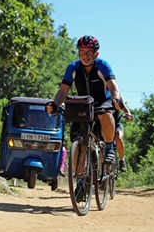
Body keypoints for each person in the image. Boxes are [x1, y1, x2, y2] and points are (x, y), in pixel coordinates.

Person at [46, 35, 123, 164]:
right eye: (82, 52)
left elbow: (113, 86)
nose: (85, 56)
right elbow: (63, 91)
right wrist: (54, 104)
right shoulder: (73, 68)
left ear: (96, 54)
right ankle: (80, 179)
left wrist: (116, 100)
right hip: (83, 103)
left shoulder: (103, 66)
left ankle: (109, 148)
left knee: (104, 113)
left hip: (103, 101)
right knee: (78, 139)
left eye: (89, 52)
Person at [114, 97, 133, 172]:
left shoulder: (116, 95)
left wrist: (128, 115)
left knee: (118, 138)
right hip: (102, 126)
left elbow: (125, 109)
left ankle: (122, 160)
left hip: (116, 125)